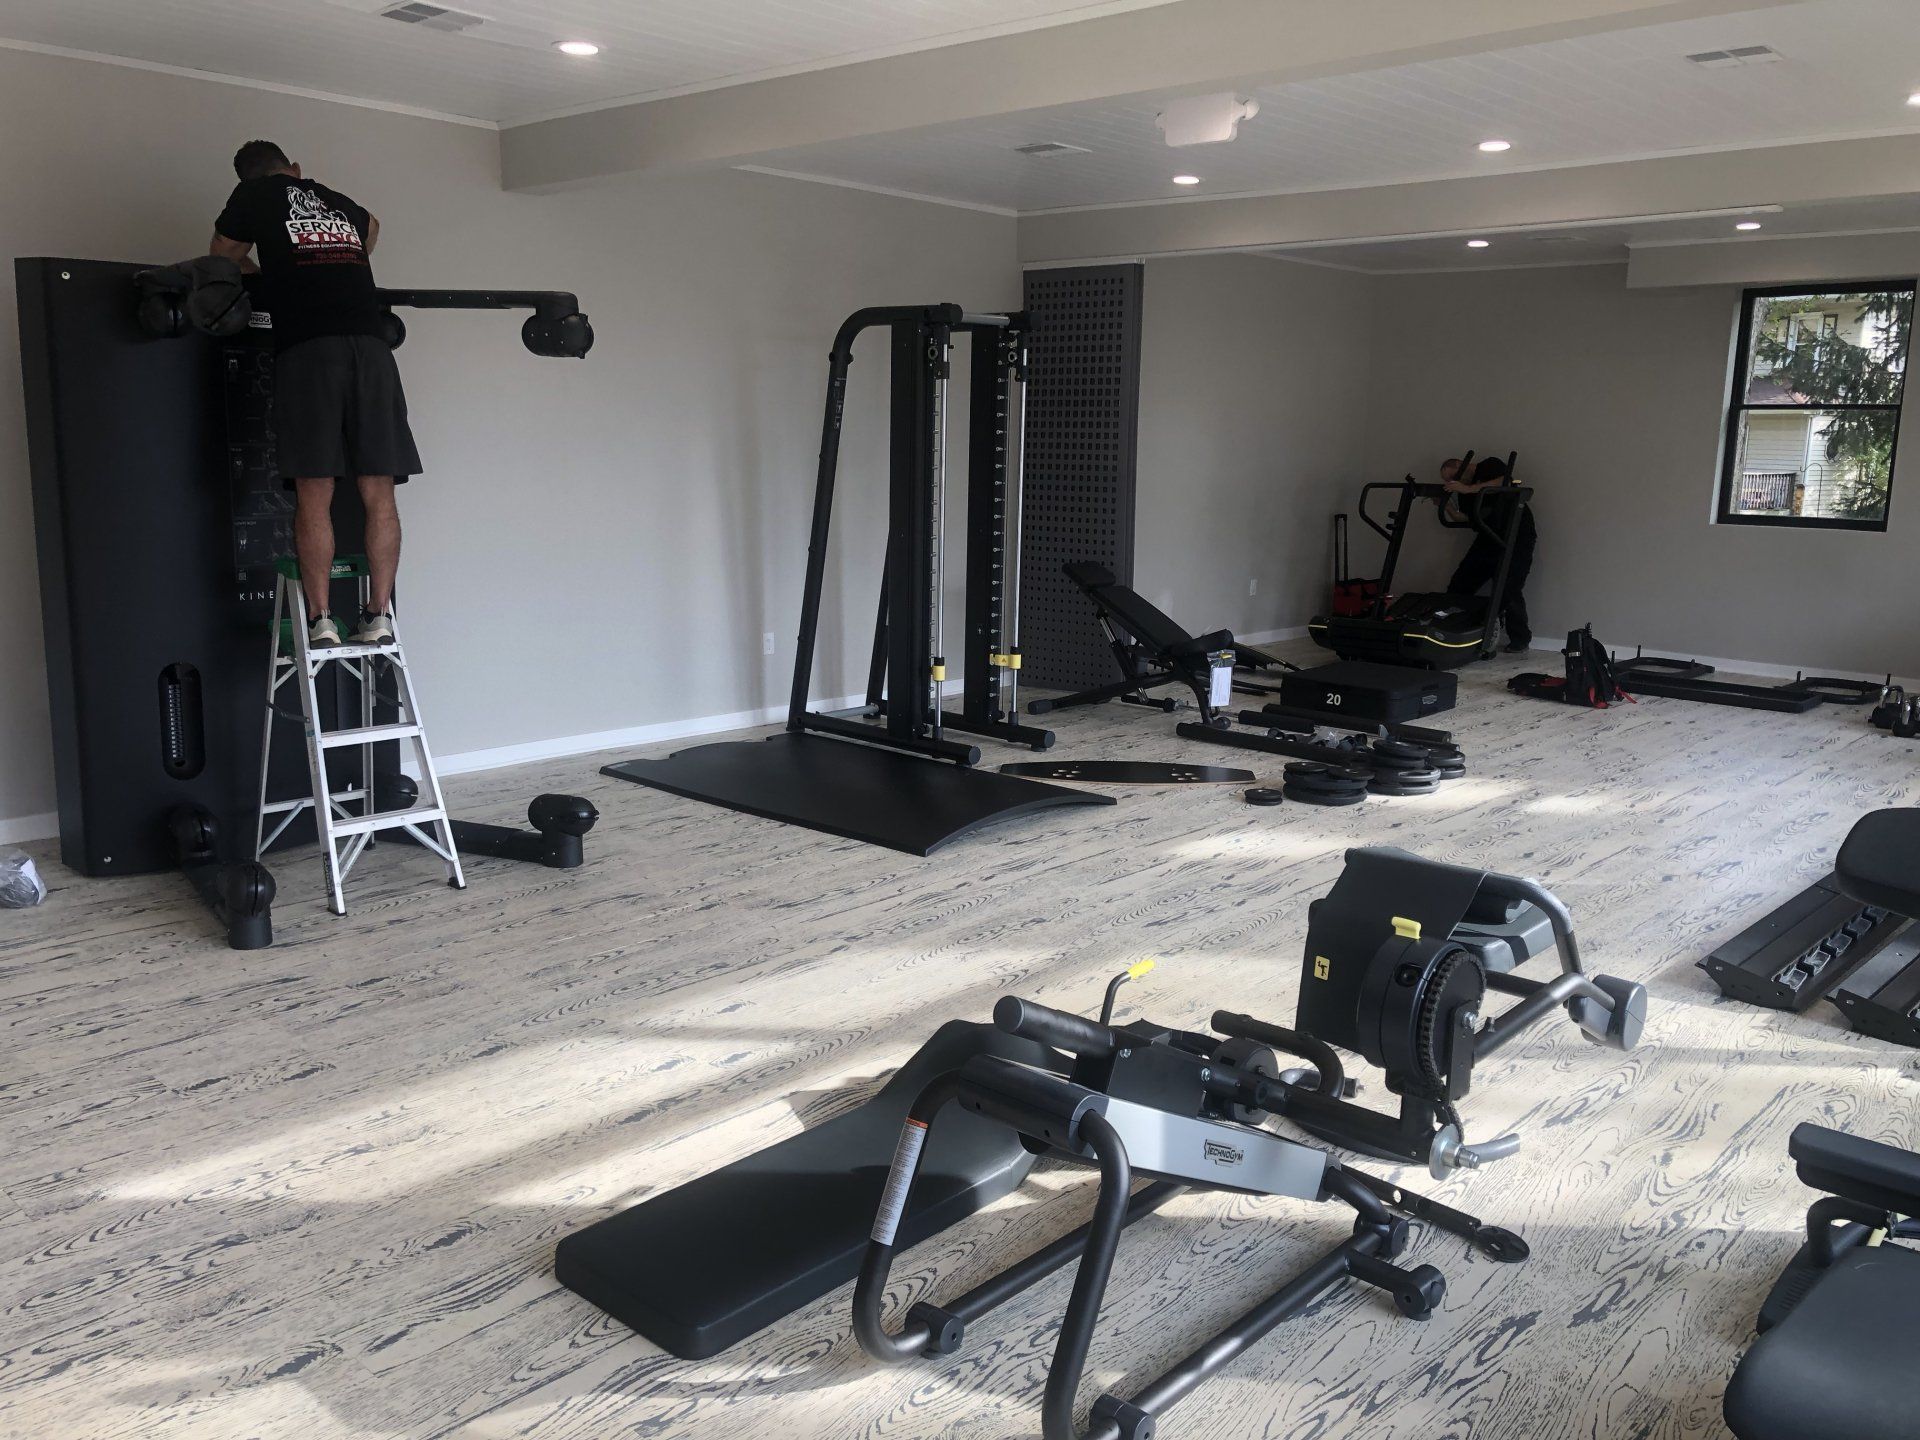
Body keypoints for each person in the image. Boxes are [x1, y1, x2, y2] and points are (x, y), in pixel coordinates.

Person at [209, 140, 417, 649]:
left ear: (247, 179)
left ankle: (322, 620)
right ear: (295, 169)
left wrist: (274, 277)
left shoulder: (252, 196)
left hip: (310, 353)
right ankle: (379, 614)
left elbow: (222, 259)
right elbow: (372, 231)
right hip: (370, 349)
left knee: (314, 489)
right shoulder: (331, 198)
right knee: (378, 491)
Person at [1441, 454, 1535, 653]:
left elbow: (1505, 481)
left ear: (1460, 465)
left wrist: (1467, 488)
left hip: (1517, 535)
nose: (1454, 483)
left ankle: (1520, 639)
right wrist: (1446, 505)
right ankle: (1452, 629)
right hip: (1489, 536)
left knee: (1508, 588)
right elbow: (1464, 517)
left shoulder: (1488, 465)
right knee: (1460, 583)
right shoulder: (1464, 492)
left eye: (1453, 477)